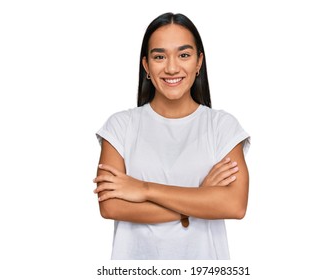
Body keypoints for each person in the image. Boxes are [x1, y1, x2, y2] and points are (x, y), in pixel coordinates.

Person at [93, 12, 250, 260]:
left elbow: (234, 205)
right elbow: (111, 206)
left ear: (199, 62)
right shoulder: (121, 126)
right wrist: (199, 199)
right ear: (146, 65)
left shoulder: (222, 126)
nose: (172, 67)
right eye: (159, 56)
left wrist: (143, 189)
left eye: (184, 55)